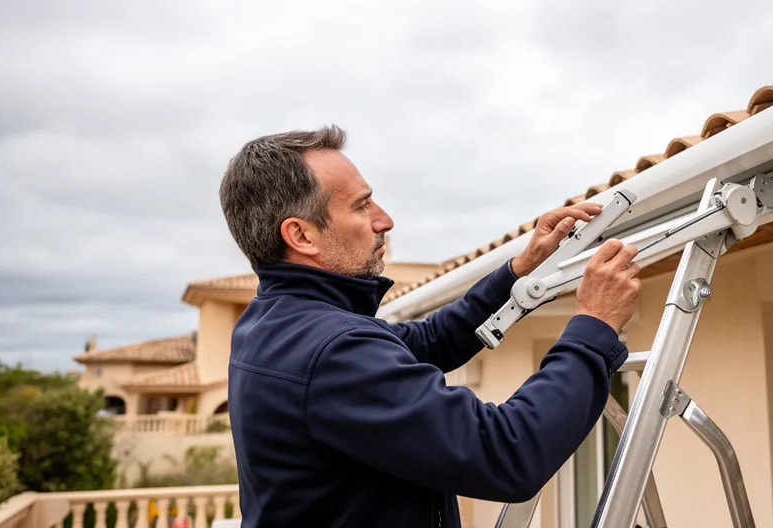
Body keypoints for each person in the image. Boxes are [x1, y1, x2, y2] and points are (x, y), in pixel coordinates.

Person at [218, 125, 642, 527]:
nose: (384, 220)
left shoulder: (273, 322)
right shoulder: (332, 350)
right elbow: (507, 453)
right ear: (302, 236)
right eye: (361, 205)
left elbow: (430, 340)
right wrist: (594, 325)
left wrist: (519, 271)